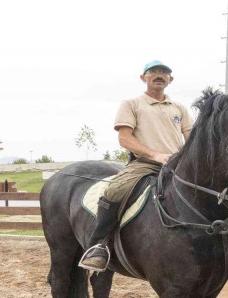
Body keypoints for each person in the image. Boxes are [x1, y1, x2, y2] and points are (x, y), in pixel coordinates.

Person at [79, 59, 193, 271]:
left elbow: (192, 138)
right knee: (115, 190)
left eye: (164, 72)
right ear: (143, 78)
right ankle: (98, 245)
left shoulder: (179, 108)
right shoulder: (132, 104)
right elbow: (125, 139)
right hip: (145, 164)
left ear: (171, 79)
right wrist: (155, 155)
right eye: (153, 72)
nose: (159, 75)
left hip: (177, 166)